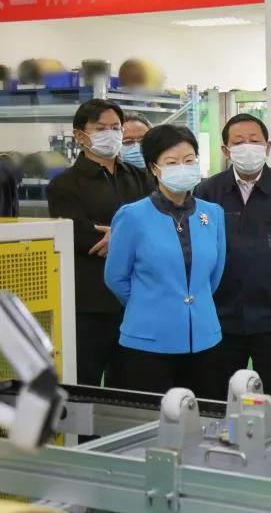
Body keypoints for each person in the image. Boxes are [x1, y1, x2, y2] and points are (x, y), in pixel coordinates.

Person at [195, 114, 271, 408]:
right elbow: (199, 250)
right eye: (239, 142)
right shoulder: (207, 192)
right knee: (219, 401)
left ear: (268, 146)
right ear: (226, 150)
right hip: (221, 318)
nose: (247, 147)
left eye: (255, 141)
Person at [104, 124, 226, 399]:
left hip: (204, 339)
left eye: (189, 160)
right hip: (148, 342)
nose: (182, 167)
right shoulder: (132, 216)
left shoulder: (213, 214)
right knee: (152, 420)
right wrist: (150, 302)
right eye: (172, 162)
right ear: (154, 168)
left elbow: (214, 276)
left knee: (204, 417)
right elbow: (115, 277)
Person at [47, 99, 150, 387]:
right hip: (90, 303)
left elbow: (156, 223)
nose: (111, 134)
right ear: (80, 135)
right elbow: (80, 235)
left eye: (115, 127)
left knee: (132, 384)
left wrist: (119, 237)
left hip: (136, 299)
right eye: (101, 128)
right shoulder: (64, 184)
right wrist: (132, 239)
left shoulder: (140, 177)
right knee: (86, 383)